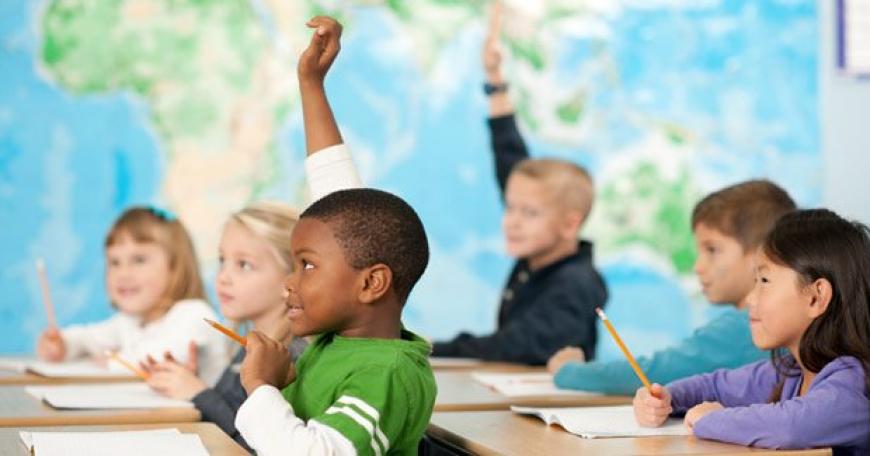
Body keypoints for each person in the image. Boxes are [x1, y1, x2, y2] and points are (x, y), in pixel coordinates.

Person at [634, 209, 870, 455]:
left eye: (765, 281)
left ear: (816, 296)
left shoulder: (855, 383)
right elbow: (715, 386)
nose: (750, 298)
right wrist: (666, 398)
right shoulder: (792, 370)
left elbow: (790, 426)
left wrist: (713, 420)